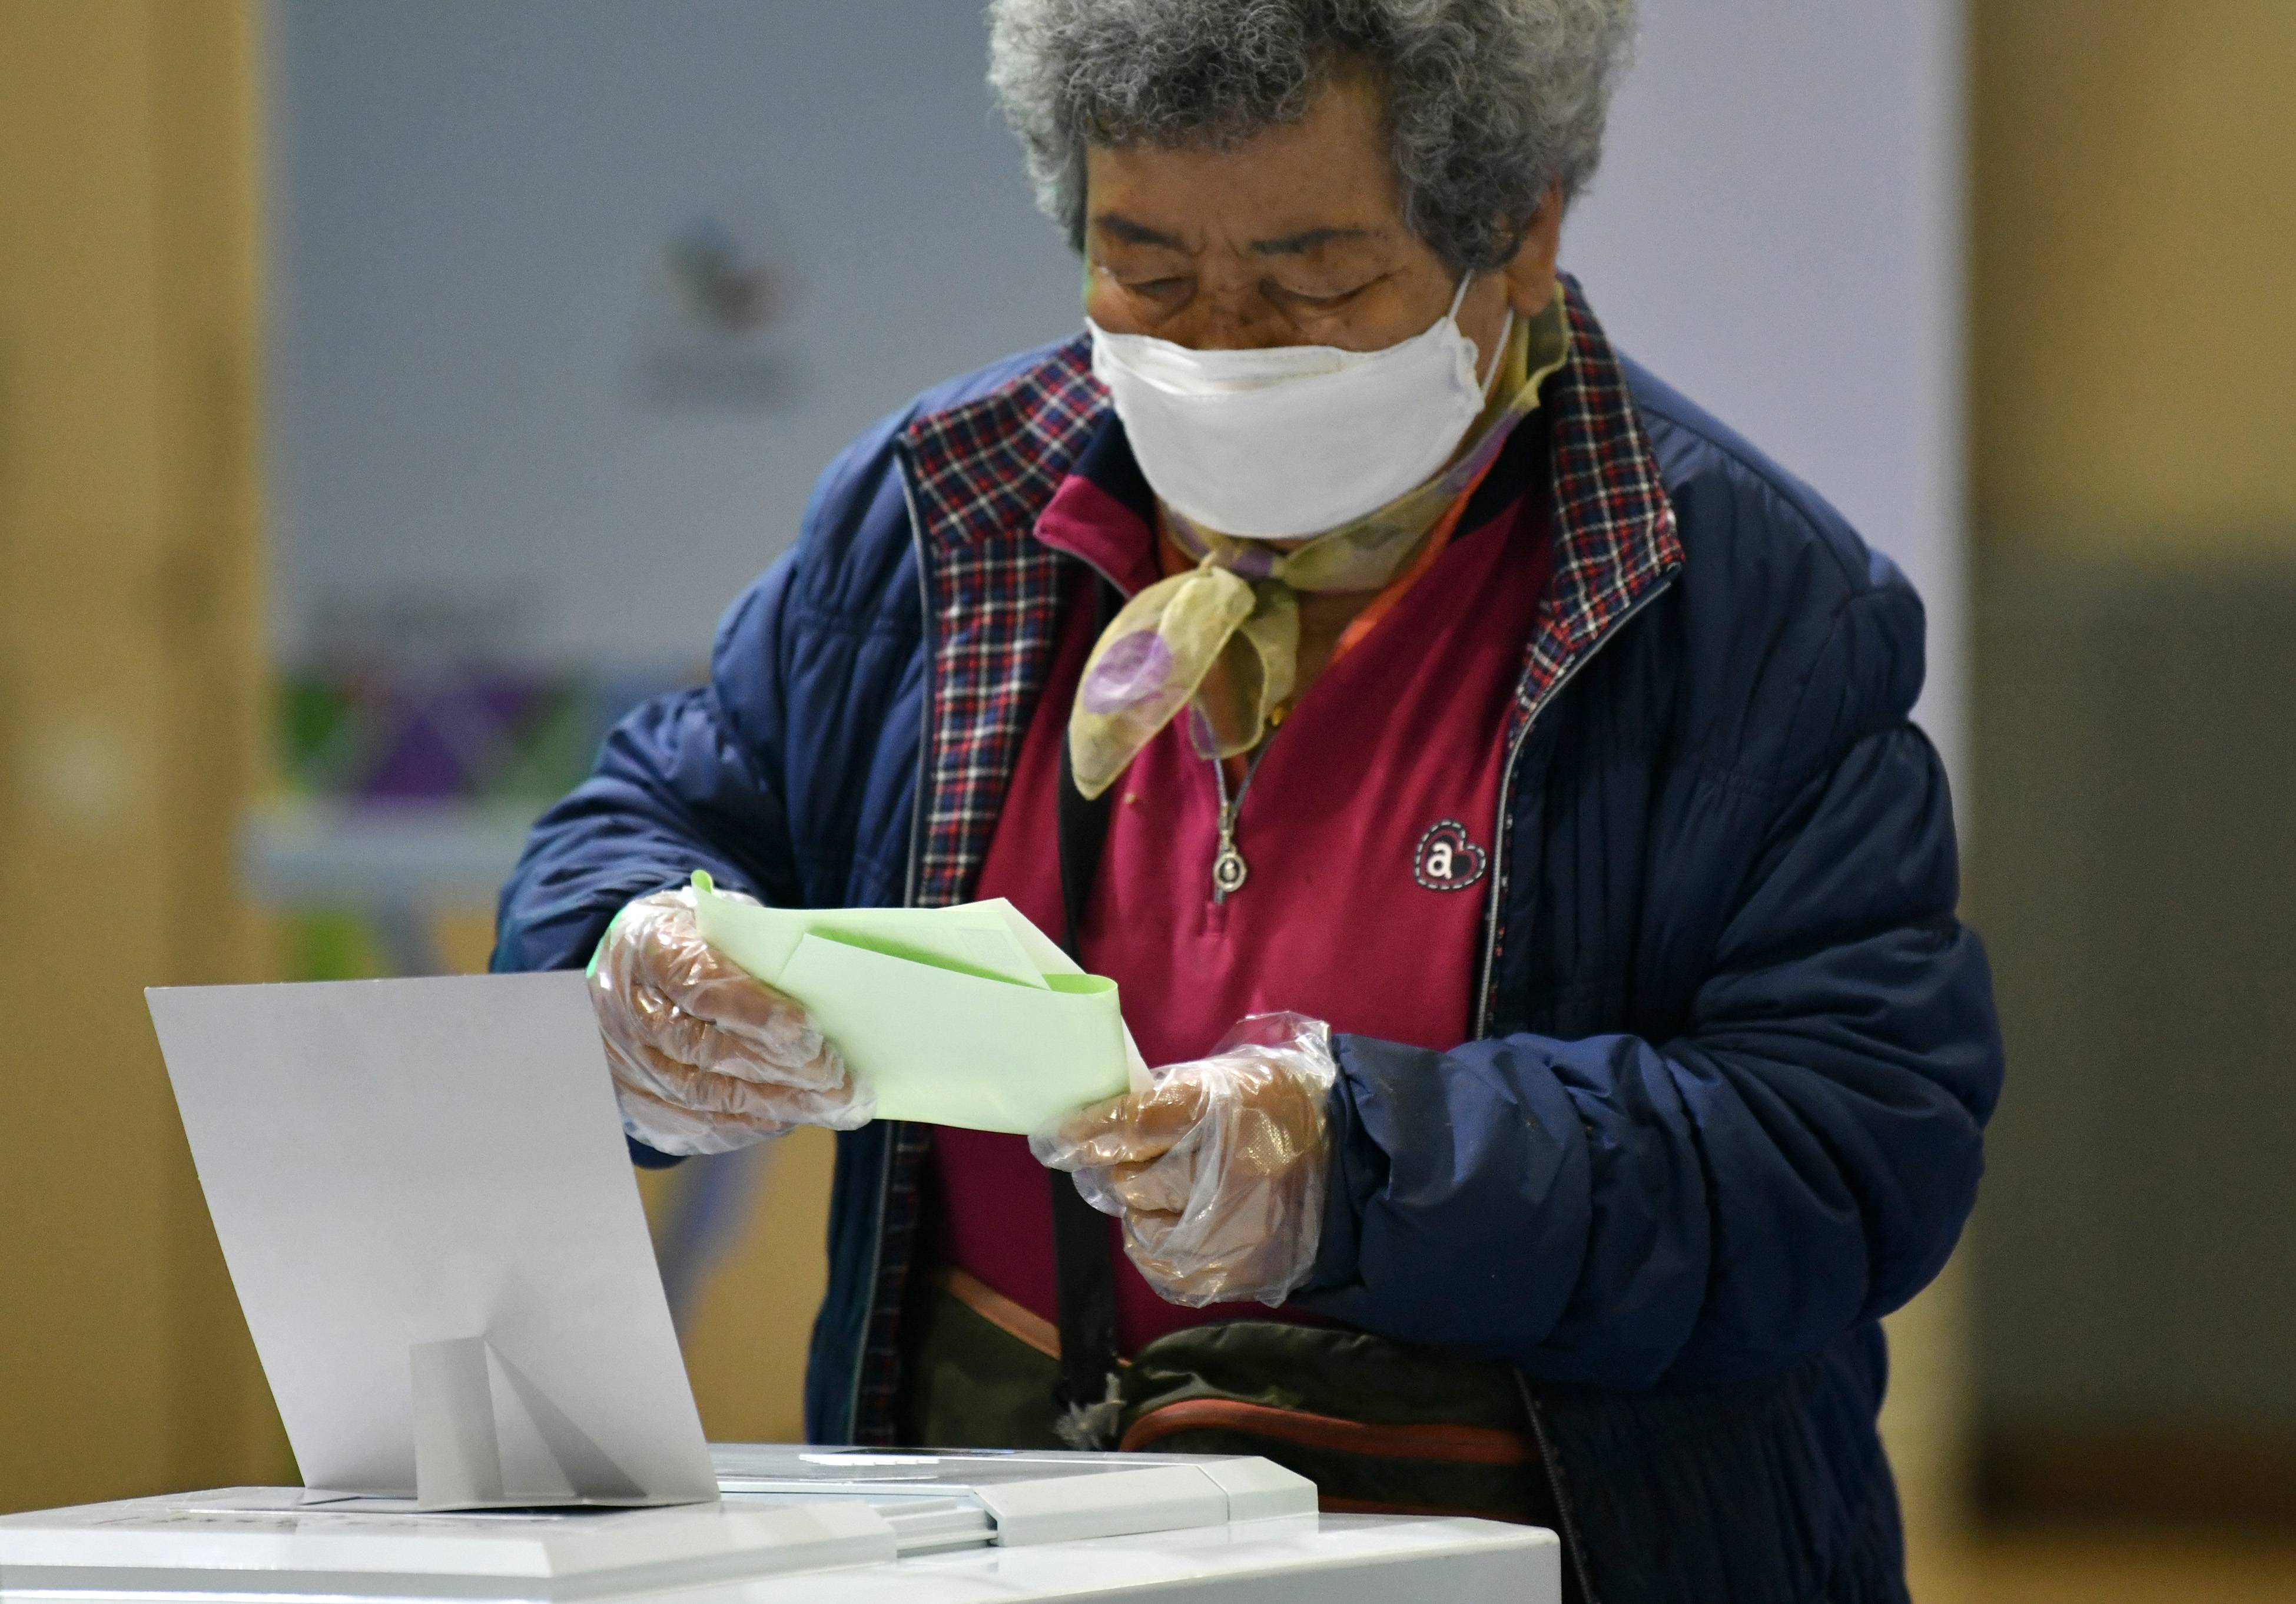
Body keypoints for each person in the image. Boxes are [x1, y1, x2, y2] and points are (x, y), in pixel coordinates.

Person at [495, 3, 2003, 1599]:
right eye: (1146, 274)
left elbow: (1842, 1156)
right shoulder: (944, 517)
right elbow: (647, 815)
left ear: (1519, 230)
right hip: (981, 1525)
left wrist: (1355, 1163)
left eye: (1314, 282)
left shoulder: (1740, 609)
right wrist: (624, 973)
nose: (1215, 349)